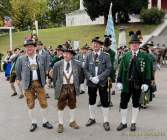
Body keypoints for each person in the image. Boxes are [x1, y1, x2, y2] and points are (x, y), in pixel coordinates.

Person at [15, 37, 53, 132]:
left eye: (31, 46)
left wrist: (47, 73)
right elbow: (18, 70)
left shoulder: (41, 57)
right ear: (25, 48)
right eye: (27, 47)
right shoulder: (21, 59)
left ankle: (45, 121)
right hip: (27, 83)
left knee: (43, 103)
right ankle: (33, 122)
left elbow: (46, 67)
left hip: (39, 83)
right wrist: (19, 79)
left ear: (35, 48)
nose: (29, 48)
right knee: (30, 104)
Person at [116, 31, 152, 131]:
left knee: (136, 104)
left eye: (136, 43)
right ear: (130, 45)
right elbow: (121, 69)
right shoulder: (125, 56)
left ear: (139, 45)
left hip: (138, 84)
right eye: (132, 43)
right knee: (123, 103)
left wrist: (146, 83)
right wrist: (119, 81)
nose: (134, 45)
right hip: (126, 84)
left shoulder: (145, 57)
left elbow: (148, 70)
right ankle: (123, 122)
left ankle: (133, 123)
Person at [52, 45, 84, 133]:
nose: (66, 55)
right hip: (62, 87)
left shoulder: (77, 64)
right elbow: (54, 78)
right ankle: (60, 124)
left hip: (72, 87)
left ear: (72, 55)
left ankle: (72, 121)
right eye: (65, 53)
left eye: (68, 54)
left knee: (72, 104)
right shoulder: (57, 64)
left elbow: (81, 75)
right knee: (60, 105)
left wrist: (78, 85)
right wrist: (57, 88)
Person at [84, 37, 112, 131]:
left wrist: (99, 77)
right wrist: (91, 78)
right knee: (92, 100)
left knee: (104, 101)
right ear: (92, 45)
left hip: (102, 82)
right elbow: (85, 69)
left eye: (97, 43)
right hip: (91, 82)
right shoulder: (88, 55)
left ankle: (106, 121)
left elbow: (109, 69)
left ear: (101, 45)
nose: (95, 45)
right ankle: (92, 118)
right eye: (94, 43)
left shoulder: (106, 55)